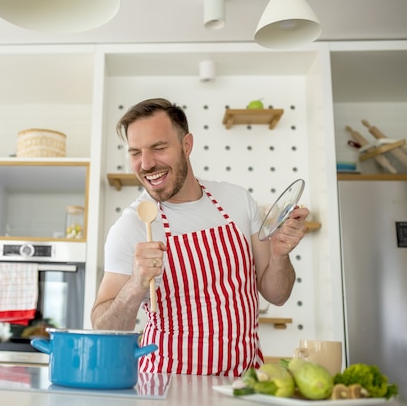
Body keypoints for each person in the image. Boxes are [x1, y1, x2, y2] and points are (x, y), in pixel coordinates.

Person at [91, 98, 309, 376]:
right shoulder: (132, 226)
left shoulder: (236, 200)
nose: (146, 163)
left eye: (158, 148)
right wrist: (135, 284)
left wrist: (280, 255)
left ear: (187, 145)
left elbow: (277, 295)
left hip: (242, 384)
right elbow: (103, 329)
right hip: (166, 386)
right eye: (135, 152)